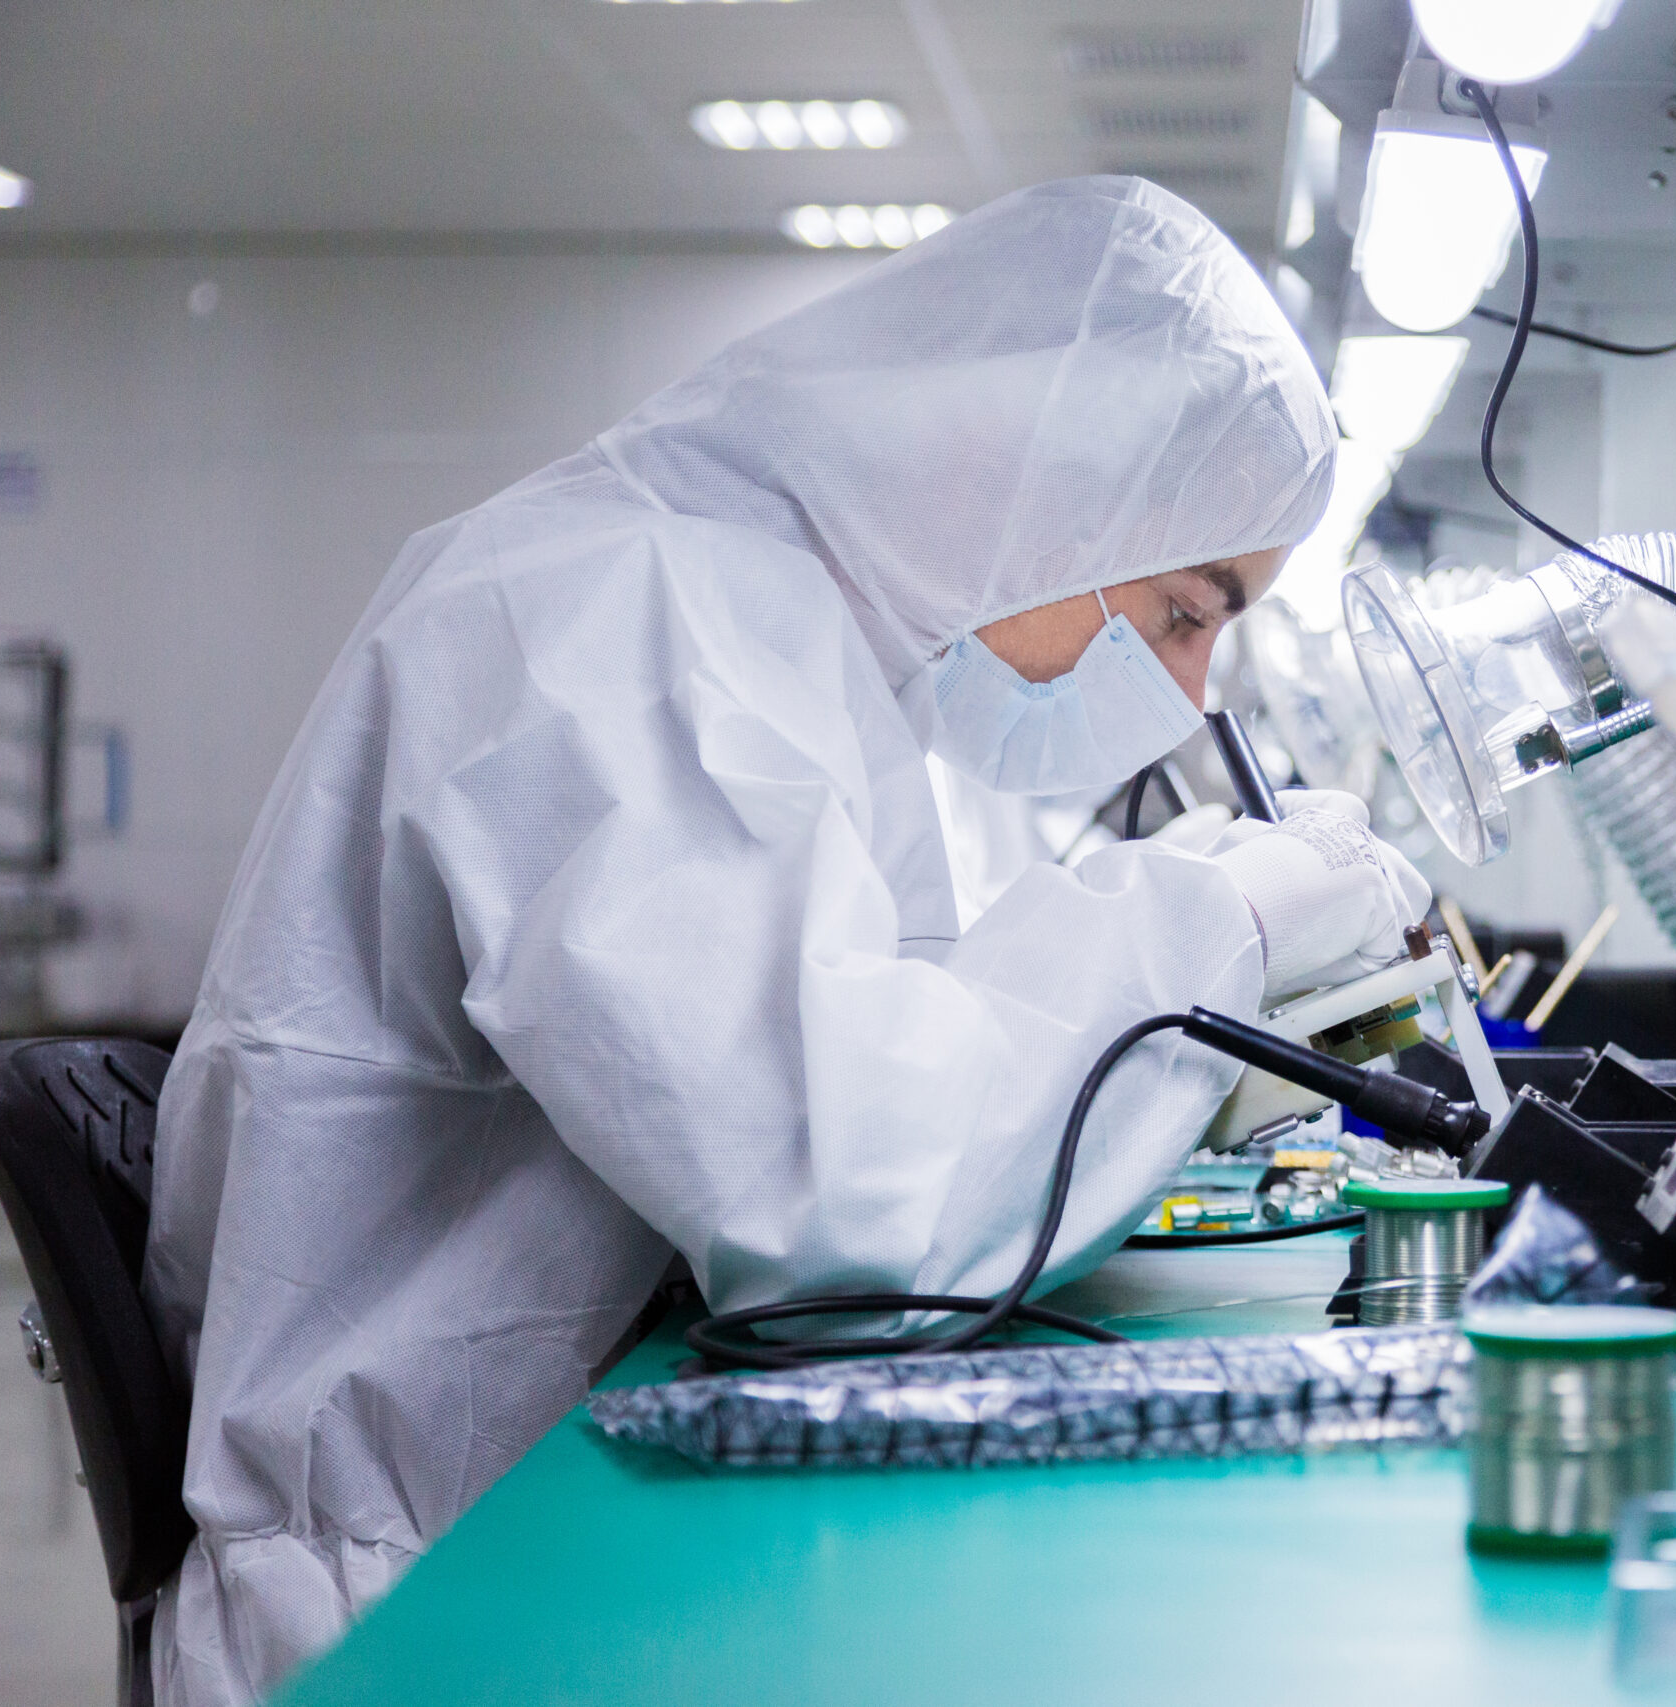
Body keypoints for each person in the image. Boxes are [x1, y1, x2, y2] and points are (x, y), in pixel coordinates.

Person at [140, 176, 1432, 1705]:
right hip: (418, 1611)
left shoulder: (762, 629)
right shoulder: (612, 616)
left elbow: (857, 1057)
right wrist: (1216, 912)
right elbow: (844, 1206)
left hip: (546, 1529)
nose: (1195, 688)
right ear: (1059, 485)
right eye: (1181, 610)